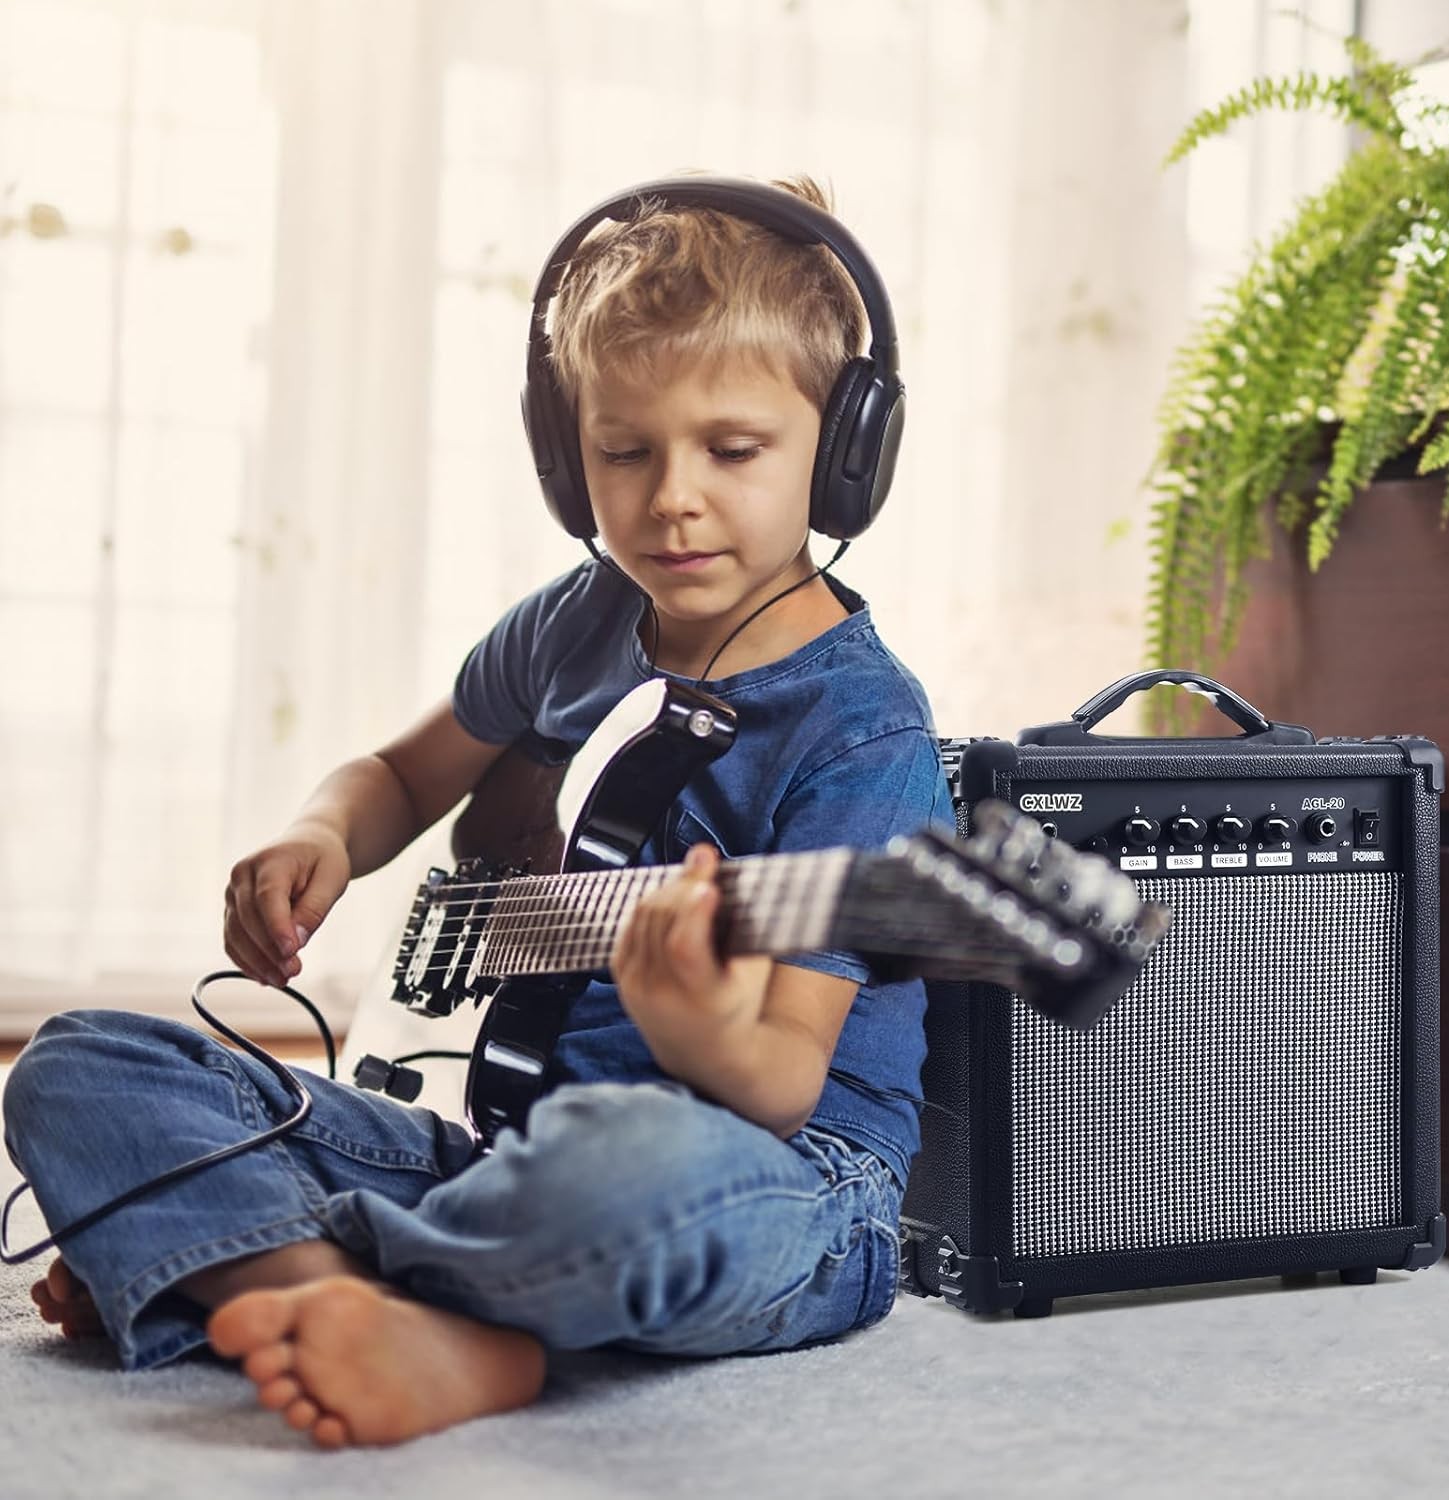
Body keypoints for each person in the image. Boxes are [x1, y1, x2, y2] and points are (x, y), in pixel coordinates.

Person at [4, 173, 953, 1449]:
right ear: (567, 457)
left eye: (733, 452)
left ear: (843, 456)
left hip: (775, 1184)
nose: (672, 497)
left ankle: (242, 1264)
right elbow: (401, 777)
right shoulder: (577, 623)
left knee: (631, 1162)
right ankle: (343, 1299)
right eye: (625, 451)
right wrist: (324, 833)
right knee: (82, 1067)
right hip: (505, 1154)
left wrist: (698, 1028)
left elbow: (782, 1085)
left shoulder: (862, 729)